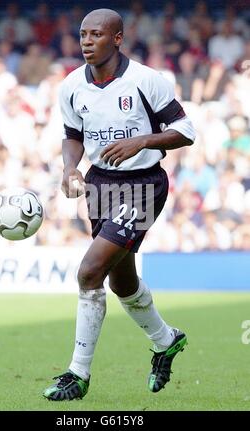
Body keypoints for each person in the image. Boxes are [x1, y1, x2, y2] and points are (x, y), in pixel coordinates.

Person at [43, 8, 195, 401]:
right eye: (82, 35)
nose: (87, 41)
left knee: (90, 271)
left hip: (143, 184)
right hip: (100, 184)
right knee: (120, 280)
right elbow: (72, 134)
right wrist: (70, 169)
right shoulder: (72, 85)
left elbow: (185, 131)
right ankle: (166, 340)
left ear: (117, 38)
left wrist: (141, 141)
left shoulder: (146, 80)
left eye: (96, 34)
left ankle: (77, 374)